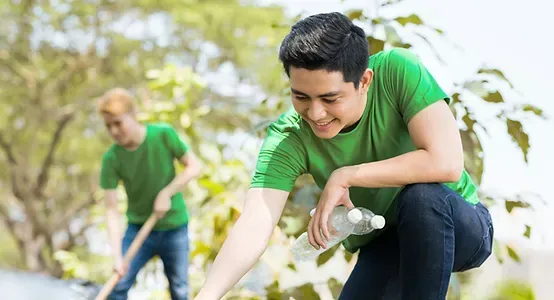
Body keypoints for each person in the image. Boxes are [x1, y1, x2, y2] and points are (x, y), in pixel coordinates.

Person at [194, 12, 494, 300]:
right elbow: (254, 223)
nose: (316, 113)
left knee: (421, 197)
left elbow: (446, 163)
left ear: (364, 81)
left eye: (330, 98)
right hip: (386, 243)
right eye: (301, 97)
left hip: (458, 226)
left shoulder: (398, 70)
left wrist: (346, 175)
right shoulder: (289, 137)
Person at [97, 88, 202, 300]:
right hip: (138, 230)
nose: (114, 131)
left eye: (118, 123)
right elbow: (111, 209)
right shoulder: (111, 159)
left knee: (180, 291)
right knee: (117, 287)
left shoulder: (163, 135)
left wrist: (167, 193)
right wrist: (117, 256)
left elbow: (194, 167)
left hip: (174, 228)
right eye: (109, 126)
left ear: (133, 115)